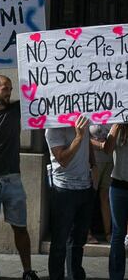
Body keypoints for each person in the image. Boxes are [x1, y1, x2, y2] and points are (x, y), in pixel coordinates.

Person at [0, 75, 39, 280]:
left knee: (20, 228)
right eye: (5, 89)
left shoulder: (16, 110)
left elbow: (38, 90)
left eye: (10, 88)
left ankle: (27, 271)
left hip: (13, 180)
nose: (10, 92)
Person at [45, 115, 97, 280]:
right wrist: (79, 136)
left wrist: (93, 165)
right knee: (60, 241)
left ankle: (75, 275)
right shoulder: (52, 128)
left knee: (78, 241)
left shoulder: (83, 119)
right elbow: (63, 159)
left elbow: (88, 144)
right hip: (63, 191)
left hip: (85, 187)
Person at [102, 123, 128, 279]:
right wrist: (116, 127)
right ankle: (116, 275)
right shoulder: (117, 127)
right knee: (118, 233)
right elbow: (107, 150)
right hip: (118, 185)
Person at [88, 124, 113, 243]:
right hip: (94, 161)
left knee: (106, 197)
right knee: (90, 196)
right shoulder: (90, 112)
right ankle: (87, 233)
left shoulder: (116, 112)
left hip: (111, 161)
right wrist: (102, 145)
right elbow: (83, 138)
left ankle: (108, 233)